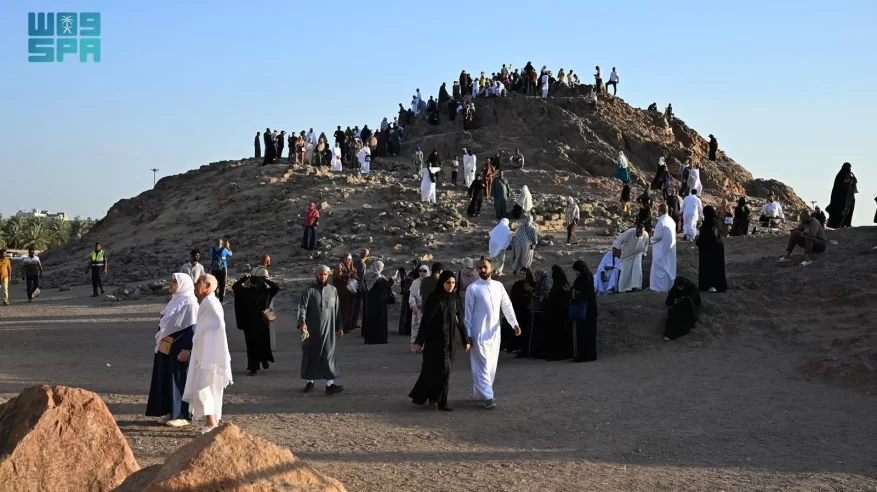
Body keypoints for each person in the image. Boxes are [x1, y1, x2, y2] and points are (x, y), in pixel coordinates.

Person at [409, 271, 471, 411]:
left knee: (446, 371)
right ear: (442, 282)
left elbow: (459, 320)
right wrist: (419, 342)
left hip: (449, 342)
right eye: (448, 282)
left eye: (453, 283)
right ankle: (435, 398)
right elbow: (426, 322)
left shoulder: (453, 298)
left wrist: (465, 339)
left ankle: (441, 400)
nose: (451, 285)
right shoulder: (434, 299)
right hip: (434, 342)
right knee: (435, 370)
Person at [465, 259, 521, 409]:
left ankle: (480, 393)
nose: (482, 270)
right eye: (480, 268)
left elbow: (507, 306)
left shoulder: (499, 286)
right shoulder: (473, 288)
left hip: (494, 334)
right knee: (481, 364)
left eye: (485, 267)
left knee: (490, 366)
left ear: (492, 268)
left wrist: (514, 323)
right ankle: (489, 397)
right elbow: (468, 315)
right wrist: (468, 335)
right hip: (478, 333)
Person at [183, 274, 233, 434]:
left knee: (202, 389)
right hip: (204, 354)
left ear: (208, 286)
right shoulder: (207, 303)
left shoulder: (211, 303)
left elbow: (218, 324)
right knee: (205, 389)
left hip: (210, 356)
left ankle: (212, 423)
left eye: (199, 283)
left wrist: (208, 338)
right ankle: (211, 421)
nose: (196, 285)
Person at [146, 273, 198, 428]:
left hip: (180, 349)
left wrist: (187, 349)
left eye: (175, 282)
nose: (171, 284)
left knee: (179, 380)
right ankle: (170, 410)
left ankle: (182, 414)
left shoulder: (190, 304)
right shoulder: (174, 301)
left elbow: (193, 329)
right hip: (167, 347)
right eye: (172, 281)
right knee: (166, 379)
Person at [297, 266, 344, 395]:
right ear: (316, 274)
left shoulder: (333, 290)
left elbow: (338, 310)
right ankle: (309, 382)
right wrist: (302, 323)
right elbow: (302, 307)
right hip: (312, 329)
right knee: (311, 354)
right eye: (320, 274)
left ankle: (330, 385)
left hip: (328, 330)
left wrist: (339, 326)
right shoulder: (309, 291)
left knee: (328, 355)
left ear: (328, 275)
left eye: (325, 274)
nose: (322, 276)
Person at [232, 274, 279, 376]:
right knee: (262, 343)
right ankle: (263, 360)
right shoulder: (266, 292)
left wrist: (244, 278)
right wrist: (266, 280)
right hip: (262, 322)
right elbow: (276, 288)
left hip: (249, 323)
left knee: (252, 346)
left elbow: (235, 287)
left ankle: (255, 367)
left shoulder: (245, 292)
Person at [541, 265, 572, 361]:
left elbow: (553, 300)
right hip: (562, 314)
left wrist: (545, 300)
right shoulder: (563, 283)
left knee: (557, 335)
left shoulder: (558, 285)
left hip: (557, 315)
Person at [570, 260, 598, 362]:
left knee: (588, 333)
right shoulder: (582, 278)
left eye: (577, 270)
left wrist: (576, 293)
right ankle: (584, 355)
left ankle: (587, 355)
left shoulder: (586, 279)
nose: (576, 273)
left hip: (587, 310)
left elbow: (587, 294)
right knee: (584, 333)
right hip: (586, 309)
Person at [696, 206, 729, 292]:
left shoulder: (707, 224)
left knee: (708, 268)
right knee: (717, 268)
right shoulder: (717, 221)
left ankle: (709, 286)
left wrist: (697, 240)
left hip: (708, 251)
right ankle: (718, 285)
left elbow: (704, 238)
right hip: (718, 248)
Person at [363, 260, 394, 344]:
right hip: (379, 302)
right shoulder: (376, 277)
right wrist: (391, 281)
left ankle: (371, 338)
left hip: (371, 302)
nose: (382, 269)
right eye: (381, 268)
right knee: (379, 320)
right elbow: (383, 286)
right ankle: (379, 338)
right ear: (378, 267)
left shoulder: (369, 275)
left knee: (372, 320)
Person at [649, 204, 677, 292]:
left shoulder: (661, 221)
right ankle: (669, 287)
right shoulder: (671, 220)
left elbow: (658, 236)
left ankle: (660, 288)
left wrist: (651, 238)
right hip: (670, 249)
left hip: (661, 249)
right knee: (669, 268)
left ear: (659, 210)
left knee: (660, 269)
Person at [663, 277, 701, 341]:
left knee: (686, 300)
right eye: (678, 287)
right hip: (677, 308)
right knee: (673, 316)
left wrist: (683, 300)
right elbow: (669, 301)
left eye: (681, 287)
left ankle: (678, 333)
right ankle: (669, 334)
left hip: (690, 308)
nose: (680, 289)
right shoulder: (674, 289)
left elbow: (696, 302)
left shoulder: (692, 288)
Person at [617, 223, 649, 293]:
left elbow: (646, 244)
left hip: (638, 254)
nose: (640, 234)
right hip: (627, 255)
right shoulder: (628, 233)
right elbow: (619, 240)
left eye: (641, 232)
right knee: (626, 272)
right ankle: (622, 289)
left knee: (637, 269)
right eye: (639, 232)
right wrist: (618, 250)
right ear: (636, 230)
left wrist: (644, 253)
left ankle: (636, 287)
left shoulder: (646, 235)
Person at [826, 162, 857, 228]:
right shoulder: (840, 175)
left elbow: (853, 183)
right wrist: (846, 182)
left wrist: (852, 180)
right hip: (840, 197)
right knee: (839, 211)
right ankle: (838, 224)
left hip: (849, 196)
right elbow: (839, 186)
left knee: (850, 209)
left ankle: (847, 223)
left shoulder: (850, 175)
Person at [334, 254, 358, 334]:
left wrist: (354, 275)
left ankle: (348, 326)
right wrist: (349, 274)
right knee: (343, 309)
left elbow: (355, 276)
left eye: (350, 259)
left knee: (349, 309)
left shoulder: (351, 267)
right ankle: (341, 327)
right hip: (342, 291)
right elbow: (338, 276)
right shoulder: (340, 266)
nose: (348, 261)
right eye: (347, 259)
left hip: (350, 291)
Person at [408, 264, 429, 349]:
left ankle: (426, 347)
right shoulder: (415, 282)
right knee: (416, 327)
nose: (422, 273)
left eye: (424, 271)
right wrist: (413, 306)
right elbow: (412, 295)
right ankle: (415, 346)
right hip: (418, 308)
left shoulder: (430, 282)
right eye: (420, 271)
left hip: (427, 309)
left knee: (426, 328)